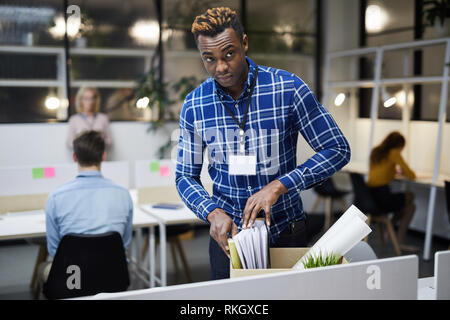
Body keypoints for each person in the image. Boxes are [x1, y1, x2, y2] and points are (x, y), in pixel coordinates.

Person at [175, 7, 351, 280]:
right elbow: (185, 176)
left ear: (244, 43)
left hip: (286, 232)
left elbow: (337, 149)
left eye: (229, 54)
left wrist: (281, 185)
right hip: (227, 240)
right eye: (209, 59)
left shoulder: (288, 88)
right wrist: (211, 213)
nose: (220, 67)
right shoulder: (195, 104)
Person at [39, 131, 133, 283]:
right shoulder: (123, 194)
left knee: (42, 269)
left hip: (72, 280)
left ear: (75, 157)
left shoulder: (56, 197)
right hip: (112, 276)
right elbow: (124, 245)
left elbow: (54, 251)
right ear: (103, 156)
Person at [367, 131, 418, 252]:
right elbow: (412, 175)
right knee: (410, 202)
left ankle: (389, 228)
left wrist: (394, 172)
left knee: (407, 205)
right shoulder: (394, 153)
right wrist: (403, 171)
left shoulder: (376, 151)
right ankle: (398, 240)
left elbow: (380, 172)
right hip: (383, 198)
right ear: (399, 145)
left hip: (370, 196)